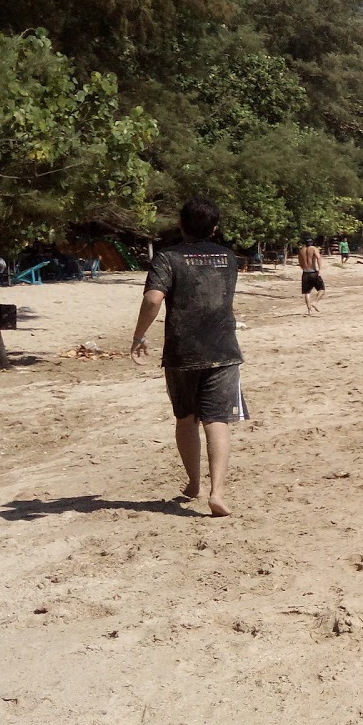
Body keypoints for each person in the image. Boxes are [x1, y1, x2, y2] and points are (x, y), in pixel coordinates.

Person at [130, 196, 246, 517]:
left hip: (182, 352)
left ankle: (194, 482)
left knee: (185, 418)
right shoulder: (228, 258)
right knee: (217, 421)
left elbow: (153, 300)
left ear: (180, 224)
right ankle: (217, 492)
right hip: (223, 350)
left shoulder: (167, 258)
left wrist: (139, 336)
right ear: (214, 227)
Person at [297, 237, 325, 313]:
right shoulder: (314, 249)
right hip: (313, 272)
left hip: (305, 272)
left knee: (307, 292)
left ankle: (309, 310)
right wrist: (320, 269)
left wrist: (303, 268)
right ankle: (315, 302)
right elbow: (318, 258)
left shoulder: (301, 250)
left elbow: (299, 262)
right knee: (321, 289)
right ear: (312, 242)